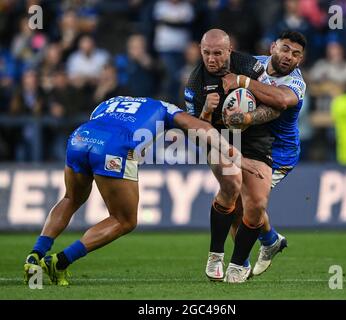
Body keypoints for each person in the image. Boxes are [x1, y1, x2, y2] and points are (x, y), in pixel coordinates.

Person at [23, 95, 263, 286]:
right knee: (124, 220)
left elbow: (100, 120)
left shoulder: (111, 101)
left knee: (70, 198)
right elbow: (202, 129)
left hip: (79, 137)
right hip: (113, 148)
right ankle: (59, 262)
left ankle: (35, 255)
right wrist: (237, 157)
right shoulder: (165, 108)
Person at [184, 29, 286, 283]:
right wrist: (206, 113)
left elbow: (277, 105)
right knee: (231, 184)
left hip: (255, 140)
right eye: (206, 53)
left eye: (217, 53)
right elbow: (196, 135)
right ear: (200, 49)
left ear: (229, 50)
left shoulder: (248, 66)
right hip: (218, 140)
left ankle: (239, 263)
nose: (211, 59)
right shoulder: (195, 82)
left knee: (256, 205)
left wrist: (247, 115)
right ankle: (215, 255)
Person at [222, 30, 307, 281]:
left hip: (279, 152)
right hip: (251, 146)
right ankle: (264, 245)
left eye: (296, 54)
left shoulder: (296, 84)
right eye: (285, 49)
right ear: (272, 47)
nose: (288, 57)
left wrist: (243, 82)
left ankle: (248, 258)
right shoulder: (254, 64)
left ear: (300, 60)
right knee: (234, 202)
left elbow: (280, 101)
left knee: (245, 202)